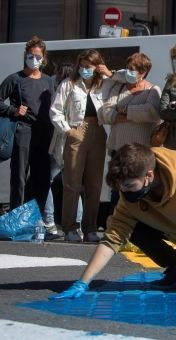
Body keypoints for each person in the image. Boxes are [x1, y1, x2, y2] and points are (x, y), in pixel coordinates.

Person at [50, 143, 176, 299]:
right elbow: (112, 239)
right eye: (121, 188)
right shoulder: (129, 194)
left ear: (149, 175)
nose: (124, 192)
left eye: (129, 186)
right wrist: (83, 282)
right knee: (131, 227)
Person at [49, 49, 109, 242]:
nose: (84, 70)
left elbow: (123, 82)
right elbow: (55, 111)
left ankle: (90, 227)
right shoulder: (69, 84)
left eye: (89, 67)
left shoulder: (104, 84)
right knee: (72, 182)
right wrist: (68, 131)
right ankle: (70, 228)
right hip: (76, 129)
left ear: (97, 66)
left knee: (94, 182)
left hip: (99, 131)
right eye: (82, 66)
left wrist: (107, 72)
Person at [100, 52, 161, 212]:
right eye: (127, 68)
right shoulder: (118, 87)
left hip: (141, 152)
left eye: (132, 69)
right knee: (117, 190)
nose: (128, 72)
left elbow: (151, 112)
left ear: (143, 72)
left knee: (139, 189)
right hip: (118, 149)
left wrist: (126, 111)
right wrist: (123, 115)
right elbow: (105, 112)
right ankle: (114, 228)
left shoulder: (152, 90)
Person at [0, 36, 54, 215]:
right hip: (23, 132)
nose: (34, 59)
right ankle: (16, 217)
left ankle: (37, 218)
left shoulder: (48, 81)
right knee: (19, 176)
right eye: (31, 55)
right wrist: (13, 110)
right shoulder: (15, 78)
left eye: (38, 56)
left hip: (44, 133)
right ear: (25, 56)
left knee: (42, 177)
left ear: (43, 58)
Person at [43, 62, 83, 239]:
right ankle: (78, 224)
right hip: (76, 140)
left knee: (49, 181)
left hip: (61, 140)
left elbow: (55, 113)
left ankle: (49, 222)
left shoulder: (61, 87)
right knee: (74, 184)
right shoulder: (80, 88)